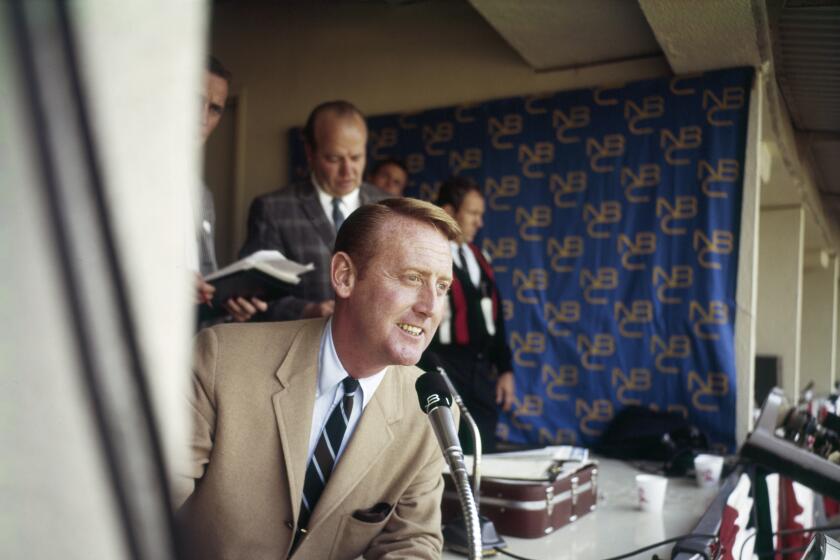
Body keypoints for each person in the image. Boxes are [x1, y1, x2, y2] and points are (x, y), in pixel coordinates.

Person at [175, 198, 461, 559]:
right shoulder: (220, 360)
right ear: (344, 276)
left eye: (442, 287)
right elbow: (145, 503)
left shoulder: (432, 413)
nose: (431, 307)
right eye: (413, 278)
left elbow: (412, 542)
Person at [239, 100, 388, 321]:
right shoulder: (272, 209)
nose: (348, 170)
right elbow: (254, 295)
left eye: (356, 157)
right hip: (302, 343)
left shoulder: (389, 207)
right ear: (310, 152)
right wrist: (307, 311)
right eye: (334, 159)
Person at [420, 176, 515, 454]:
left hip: (480, 368)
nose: (479, 222)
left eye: (480, 215)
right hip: (442, 364)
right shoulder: (428, 254)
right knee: (445, 447)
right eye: (473, 213)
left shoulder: (479, 256)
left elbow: (495, 318)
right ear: (449, 212)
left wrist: (505, 368)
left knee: (482, 444)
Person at [194, 56, 267, 322]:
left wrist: (227, 305)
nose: (202, 119)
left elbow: (204, 278)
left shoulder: (201, 195)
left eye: (214, 109)